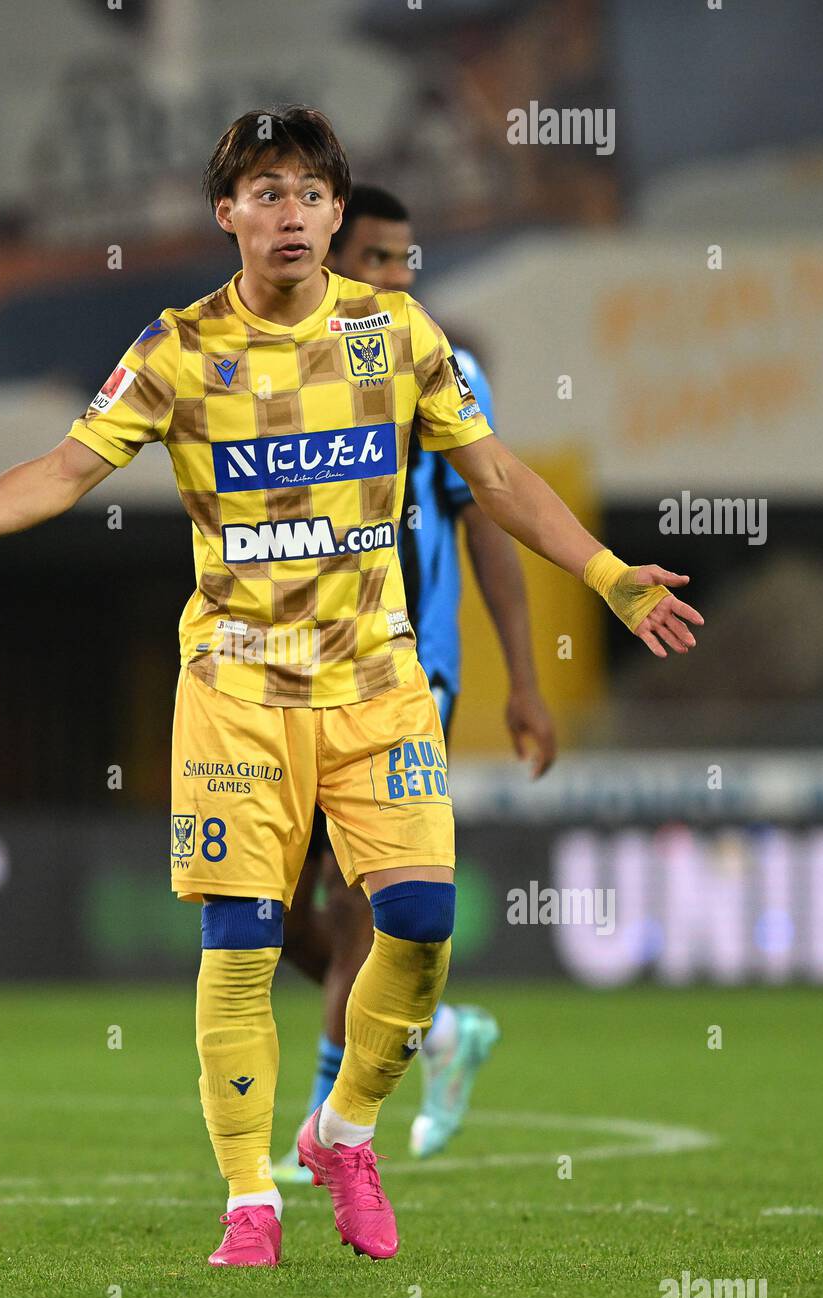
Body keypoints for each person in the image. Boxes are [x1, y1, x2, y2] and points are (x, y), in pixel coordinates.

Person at [0, 105, 703, 1270]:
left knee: (421, 923)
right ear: (225, 213)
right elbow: (64, 469)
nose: (287, 212)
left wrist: (602, 574)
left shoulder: (394, 334)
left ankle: (343, 1135)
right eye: (263, 191)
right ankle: (248, 1195)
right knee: (240, 944)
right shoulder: (176, 349)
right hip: (238, 689)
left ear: (336, 214)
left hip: (377, 683)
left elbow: (490, 473)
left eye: (307, 192)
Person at [273, 185, 556, 1182]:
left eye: (407, 261)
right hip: (292, 681)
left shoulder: (437, 364)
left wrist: (522, 682)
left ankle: (324, 1137)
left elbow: (491, 528)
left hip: (405, 677)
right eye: (380, 259)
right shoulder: (278, 361)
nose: (397, 278)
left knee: (361, 915)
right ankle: (436, 1033)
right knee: (268, 913)